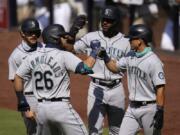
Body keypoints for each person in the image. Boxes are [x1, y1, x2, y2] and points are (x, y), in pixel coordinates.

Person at [13, 24, 101, 135]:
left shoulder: (32, 56)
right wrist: (95, 51)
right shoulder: (63, 55)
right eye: (63, 37)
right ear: (56, 38)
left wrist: (22, 101)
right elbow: (85, 68)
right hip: (61, 109)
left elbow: (17, 77)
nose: (65, 39)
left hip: (41, 110)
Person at [64, 5, 131, 135]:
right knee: (94, 131)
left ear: (116, 21)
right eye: (103, 19)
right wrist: (73, 30)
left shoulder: (126, 42)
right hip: (96, 89)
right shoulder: (90, 37)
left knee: (117, 131)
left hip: (116, 89)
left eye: (109, 20)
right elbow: (69, 49)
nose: (105, 22)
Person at [100, 24, 165, 135]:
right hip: (132, 108)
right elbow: (115, 68)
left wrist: (160, 110)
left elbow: (160, 87)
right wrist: (105, 56)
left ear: (139, 41)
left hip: (149, 109)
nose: (129, 41)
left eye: (131, 39)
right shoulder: (130, 55)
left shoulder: (153, 61)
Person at [8, 18, 42, 135]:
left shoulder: (45, 48)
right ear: (22, 33)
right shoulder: (15, 56)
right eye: (30, 32)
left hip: (48, 97)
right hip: (30, 99)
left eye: (36, 32)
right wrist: (25, 107)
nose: (33, 35)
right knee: (34, 132)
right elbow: (16, 82)